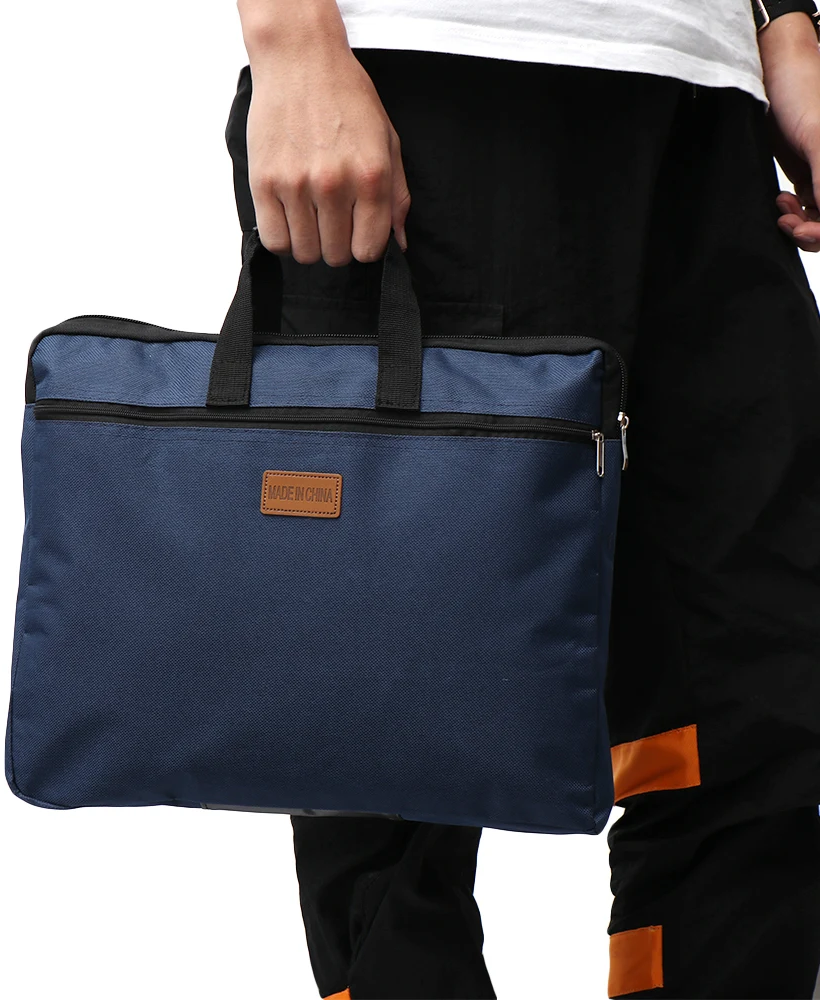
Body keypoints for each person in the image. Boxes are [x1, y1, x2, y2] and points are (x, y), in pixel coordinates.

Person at [224, 2, 820, 997]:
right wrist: (292, 39)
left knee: (755, 707)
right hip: (431, 66)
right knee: (385, 733)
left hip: (708, 99)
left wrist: (785, 29)